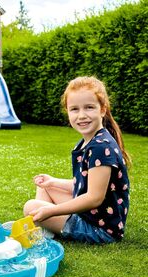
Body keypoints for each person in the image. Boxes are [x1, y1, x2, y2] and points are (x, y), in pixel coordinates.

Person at [23, 76, 131, 243]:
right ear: (67, 112)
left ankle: (45, 227)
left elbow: (94, 197)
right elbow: (84, 185)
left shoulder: (101, 147)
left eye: (89, 107)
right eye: (74, 109)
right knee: (45, 188)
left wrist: (52, 211)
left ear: (102, 109)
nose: (81, 115)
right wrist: (53, 182)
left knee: (31, 207)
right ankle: (45, 228)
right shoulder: (89, 142)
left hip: (100, 230)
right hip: (93, 216)